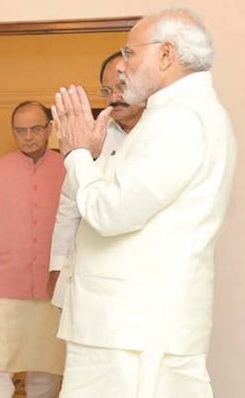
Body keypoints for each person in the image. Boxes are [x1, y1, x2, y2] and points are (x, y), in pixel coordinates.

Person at [51, 8, 235, 397]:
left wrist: (78, 154)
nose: (122, 69)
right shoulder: (173, 115)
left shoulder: (181, 118)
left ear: (166, 54)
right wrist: (96, 157)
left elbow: (109, 212)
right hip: (131, 327)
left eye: (130, 54)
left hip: (130, 328)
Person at [0, 101, 65, 398]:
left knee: (46, 370)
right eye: (21, 131)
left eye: (36, 128)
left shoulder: (68, 168)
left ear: (49, 129)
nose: (29, 136)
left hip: (50, 290)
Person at [49, 52, 145, 307]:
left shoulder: (159, 132)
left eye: (122, 87)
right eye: (106, 90)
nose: (114, 97)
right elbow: (70, 203)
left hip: (137, 281)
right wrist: (57, 266)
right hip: (83, 276)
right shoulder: (92, 133)